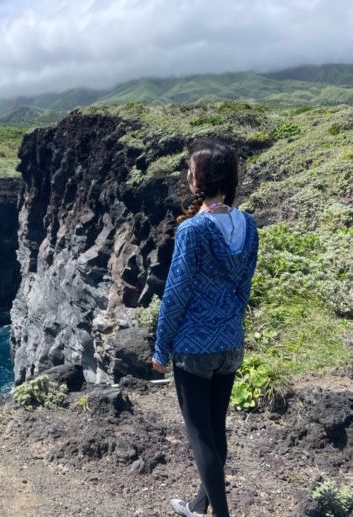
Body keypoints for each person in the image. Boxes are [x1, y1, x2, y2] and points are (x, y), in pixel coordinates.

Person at [151, 139, 259, 517]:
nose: (186, 173)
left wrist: (161, 348)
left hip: (196, 348)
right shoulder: (248, 223)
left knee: (200, 437)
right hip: (231, 343)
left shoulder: (193, 231)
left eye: (189, 168)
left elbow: (176, 294)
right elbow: (243, 287)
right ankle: (199, 504)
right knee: (216, 430)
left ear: (200, 178)